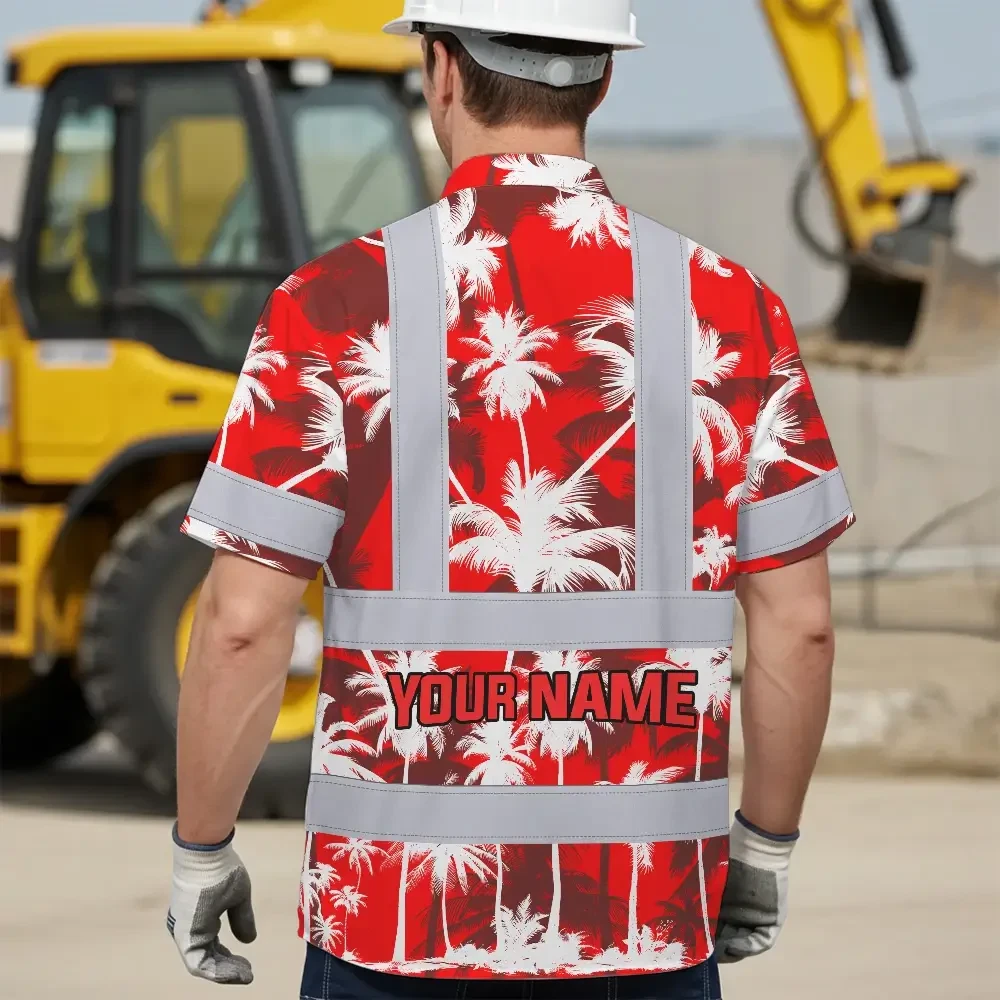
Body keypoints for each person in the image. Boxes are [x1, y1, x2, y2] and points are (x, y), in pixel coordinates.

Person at [166, 2, 855, 997]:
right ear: (604, 79)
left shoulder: (328, 304)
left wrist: (202, 848)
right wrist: (765, 845)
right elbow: (801, 627)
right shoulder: (732, 307)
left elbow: (240, 625)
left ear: (441, 68)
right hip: (644, 918)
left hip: (394, 921)